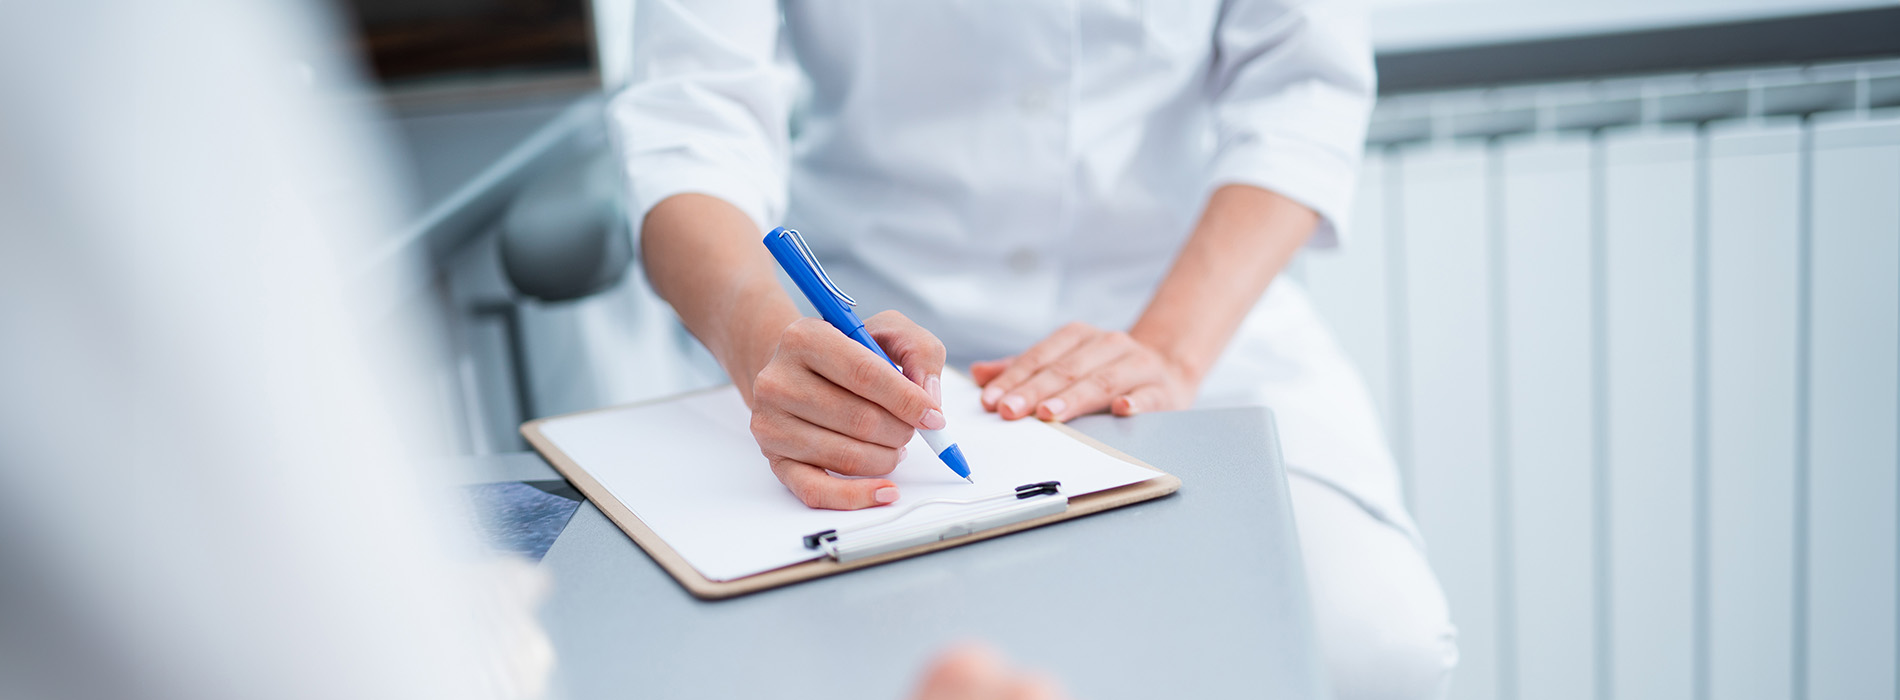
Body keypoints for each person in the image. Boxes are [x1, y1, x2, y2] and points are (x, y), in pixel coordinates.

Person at [612, 1, 1459, 698]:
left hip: (1193, 320)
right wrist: (768, 342)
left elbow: (1299, 88)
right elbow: (693, 117)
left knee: (1371, 650)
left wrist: (1170, 350)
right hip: (863, 341)